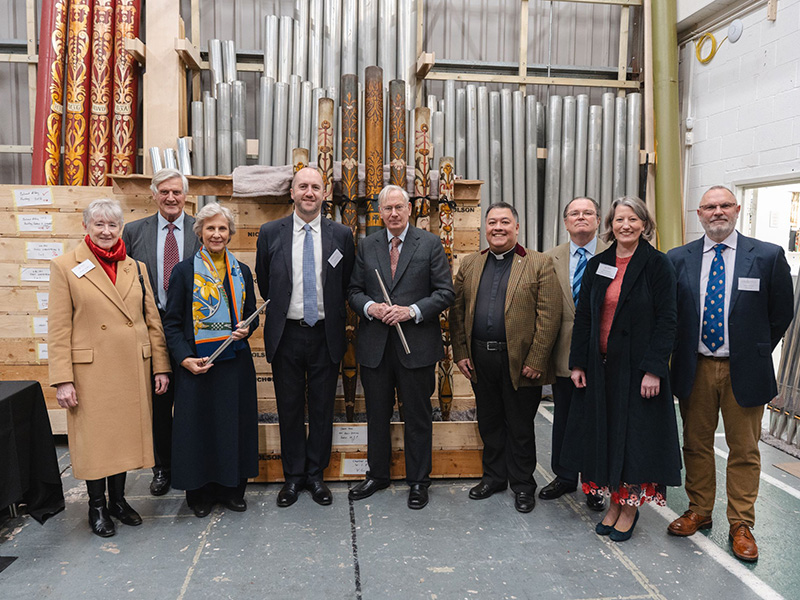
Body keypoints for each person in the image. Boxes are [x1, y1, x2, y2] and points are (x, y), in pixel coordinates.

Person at [666, 186, 793, 562]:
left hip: (746, 370)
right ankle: (699, 510)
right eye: (709, 207)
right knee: (696, 444)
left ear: (737, 210)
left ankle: (741, 523)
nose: (717, 212)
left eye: (724, 205)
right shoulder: (679, 258)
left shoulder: (767, 256)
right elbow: (671, 316)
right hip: (696, 367)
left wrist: (752, 350)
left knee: (744, 449)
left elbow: (781, 313)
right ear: (699, 214)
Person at [48, 199, 171, 537]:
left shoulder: (136, 267)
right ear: (87, 226)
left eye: (112, 225)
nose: (106, 231)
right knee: (97, 441)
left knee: (124, 439)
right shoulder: (65, 266)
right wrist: (62, 379)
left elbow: (152, 321)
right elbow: (58, 328)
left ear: (120, 229)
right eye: (99, 224)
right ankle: (97, 506)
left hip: (132, 366)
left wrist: (161, 366)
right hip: (91, 371)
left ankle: (118, 500)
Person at [563, 196, 681, 542]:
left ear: (644, 224)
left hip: (639, 372)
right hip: (602, 371)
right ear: (610, 225)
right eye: (619, 220)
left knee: (634, 441)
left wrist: (654, 369)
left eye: (632, 219)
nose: (625, 225)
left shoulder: (658, 265)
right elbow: (584, 316)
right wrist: (578, 363)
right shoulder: (600, 263)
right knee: (607, 437)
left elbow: (668, 321)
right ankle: (613, 502)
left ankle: (629, 506)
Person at [348, 185, 454, 510]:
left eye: (399, 207)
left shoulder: (431, 243)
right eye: (387, 208)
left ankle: (419, 481)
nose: (393, 213)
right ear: (380, 212)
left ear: (409, 209)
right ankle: (378, 474)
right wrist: (371, 308)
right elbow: (353, 290)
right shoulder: (367, 246)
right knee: (376, 415)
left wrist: (412, 311)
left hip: (416, 346)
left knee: (418, 416)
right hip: (376, 347)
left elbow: (445, 292)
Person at [450, 202, 561, 513]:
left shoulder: (539, 263)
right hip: (480, 361)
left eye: (504, 222)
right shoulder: (471, 264)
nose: (497, 228)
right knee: (489, 422)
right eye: (492, 222)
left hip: (521, 363)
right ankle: (494, 477)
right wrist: (460, 352)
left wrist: (537, 360)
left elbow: (549, 316)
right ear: (485, 228)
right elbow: (456, 312)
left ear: (516, 227)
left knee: (520, 427)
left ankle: (523, 484)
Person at [255, 167, 355, 507]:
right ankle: (293, 478)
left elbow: (345, 284)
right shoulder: (271, 232)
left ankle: (316, 476)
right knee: (290, 408)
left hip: (326, 333)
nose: (309, 192)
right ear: (292, 193)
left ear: (324, 194)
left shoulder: (341, 234)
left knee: (324, 408)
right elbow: (265, 281)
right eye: (303, 186)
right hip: (287, 334)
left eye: (315, 187)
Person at [163, 203, 259, 518]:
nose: (217, 234)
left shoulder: (242, 271)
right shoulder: (184, 271)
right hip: (198, 365)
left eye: (222, 229)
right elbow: (173, 323)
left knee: (233, 427)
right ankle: (199, 493)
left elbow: (249, 318)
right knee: (200, 429)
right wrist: (184, 359)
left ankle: (232, 489)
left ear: (230, 233)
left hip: (235, 364)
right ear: (200, 233)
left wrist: (248, 328)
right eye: (210, 228)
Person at [122, 168, 201, 497]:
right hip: (150, 329)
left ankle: (192, 464)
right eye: (164, 192)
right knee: (159, 403)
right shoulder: (134, 231)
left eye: (177, 192)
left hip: (191, 331)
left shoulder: (200, 229)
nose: (171, 198)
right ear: (153, 195)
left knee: (191, 402)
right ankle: (162, 467)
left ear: (186, 195)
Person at [539, 197, 607, 511]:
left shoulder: (615, 253)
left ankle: (595, 483)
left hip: (604, 353)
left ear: (598, 219)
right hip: (563, 353)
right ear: (566, 221)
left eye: (587, 213)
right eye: (574, 214)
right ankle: (565, 476)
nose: (581, 218)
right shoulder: (550, 258)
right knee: (563, 416)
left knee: (597, 420)